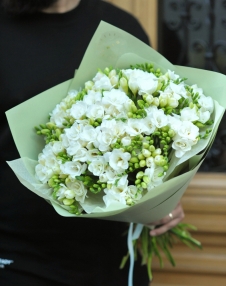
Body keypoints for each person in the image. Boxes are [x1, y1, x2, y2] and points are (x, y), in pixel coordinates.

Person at [0, 0, 185, 285]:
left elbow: (161, 136)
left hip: (113, 260)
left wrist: (161, 200)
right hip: (19, 259)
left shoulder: (121, 27)